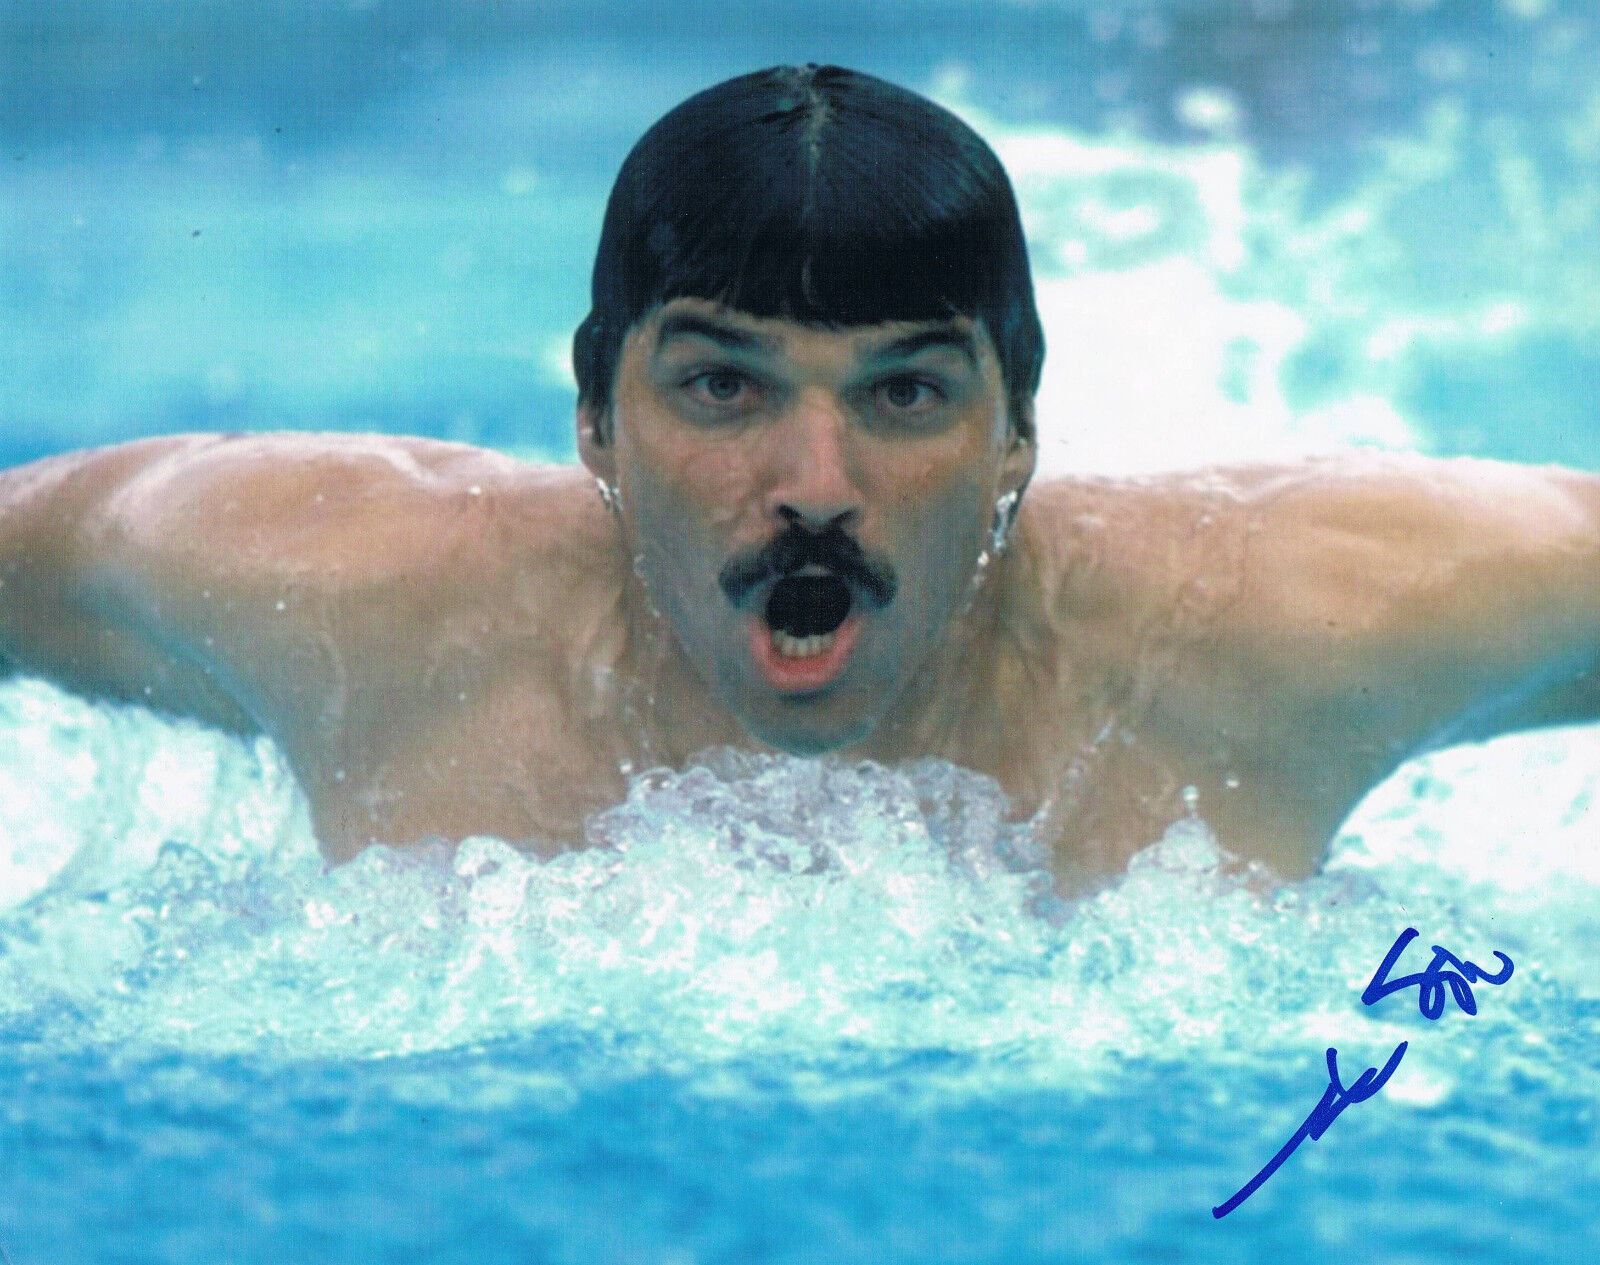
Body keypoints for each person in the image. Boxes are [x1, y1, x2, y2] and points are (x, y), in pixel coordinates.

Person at [0, 65, 1596, 885]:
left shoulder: (1272, 625)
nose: (813, 481)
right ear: (596, 421)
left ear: (1019, 432)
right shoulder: (357, 589)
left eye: (906, 390)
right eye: (720, 383)